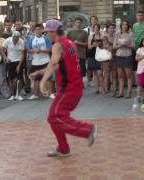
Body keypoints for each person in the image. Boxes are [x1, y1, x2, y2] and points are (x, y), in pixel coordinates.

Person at [30, 19, 97, 157]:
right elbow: (61, 65)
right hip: (73, 87)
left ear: (52, 32)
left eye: (47, 32)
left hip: (69, 88)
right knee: (55, 117)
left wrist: (42, 82)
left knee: (54, 117)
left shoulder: (58, 45)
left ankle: (88, 130)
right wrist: (40, 72)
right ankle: (63, 148)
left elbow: (54, 64)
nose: (46, 34)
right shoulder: (69, 43)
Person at [27, 24, 52, 100]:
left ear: (42, 30)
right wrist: (34, 50)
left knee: (47, 78)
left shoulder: (46, 38)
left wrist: (41, 50)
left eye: (39, 29)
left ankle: (49, 94)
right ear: (34, 30)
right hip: (35, 61)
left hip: (45, 61)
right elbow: (28, 49)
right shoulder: (31, 39)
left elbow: (50, 49)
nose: (38, 31)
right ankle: (35, 94)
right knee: (36, 79)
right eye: (36, 29)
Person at [114, 20, 135, 98]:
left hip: (127, 56)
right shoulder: (117, 34)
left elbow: (133, 46)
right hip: (119, 55)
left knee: (128, 75)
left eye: (126, 24)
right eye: (123, 24)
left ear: (128, 26)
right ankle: (121, 92)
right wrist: (119, 46)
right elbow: (114, 46)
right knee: (120, 75)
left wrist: (126, 45)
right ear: (121, 26)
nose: (124, 26)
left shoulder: (130, 34)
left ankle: (129, 92)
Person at [2, 31, 25, 101]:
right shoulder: (8, 40)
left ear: (19, 37)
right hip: (10, 61)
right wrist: (5, 58)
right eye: (14, 38)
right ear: (12, 37)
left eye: (17, 38)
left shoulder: (21, 41)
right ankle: (12, 95)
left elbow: (22, 54)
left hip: (18, 61)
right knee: (10, 78)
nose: (16, 40)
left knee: (20, 78)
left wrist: (19, 65)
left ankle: (19, 94)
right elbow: (2, 50)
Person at [88, 24, 102, 94]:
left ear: (99, 28)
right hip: (92, 55)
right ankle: (97, 88)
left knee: (100, 72)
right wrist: (93, 45)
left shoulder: (102, 36)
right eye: (94, 28)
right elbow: (89, 47)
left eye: (97, 28)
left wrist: (99, 45)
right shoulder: (91, 36)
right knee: (95, 73)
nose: (96, 29)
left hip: (100, 55)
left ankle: (102, 86)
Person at [104, 24, 117, 96]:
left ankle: (114, 90)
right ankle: (106, 90)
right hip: (106, 58)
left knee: (114, 75)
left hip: (115, 57)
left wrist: (111, 47)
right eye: (110, 28)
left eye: (113, 28)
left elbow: (115, 47)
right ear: (107, 29)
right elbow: (104, 46)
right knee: (106, 74)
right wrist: (112, 47)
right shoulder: (105, 37)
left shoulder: (116, 37)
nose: (111, 30)